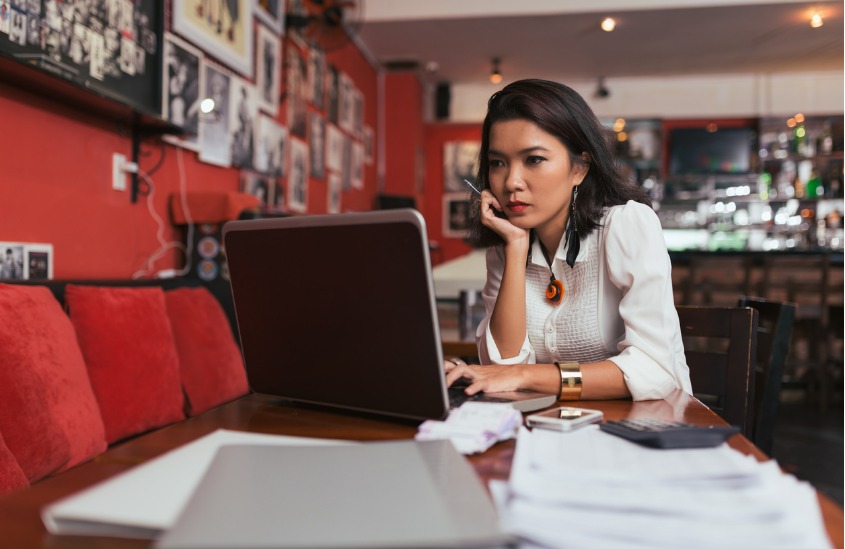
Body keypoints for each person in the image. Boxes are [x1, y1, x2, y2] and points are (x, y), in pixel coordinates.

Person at [444, 79, 691, 402]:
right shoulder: (505, 249)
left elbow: (655, 372)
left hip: (648, 429)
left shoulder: (626, 224)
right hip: (558, 427)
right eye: (497, 163)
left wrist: (526, 375)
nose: (511, 182)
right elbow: (503, 367)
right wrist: (516, 249)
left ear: (579, 168)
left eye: (533, 159)